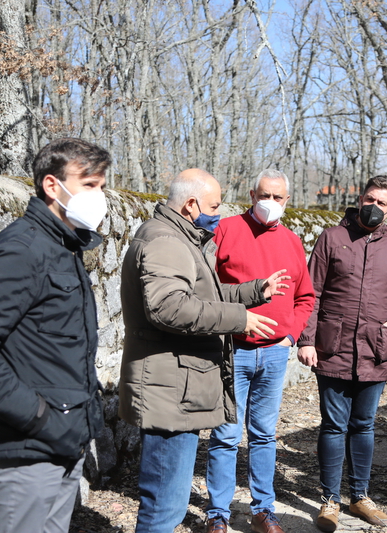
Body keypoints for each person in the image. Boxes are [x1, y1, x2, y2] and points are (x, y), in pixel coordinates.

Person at [0, 138, 112, 533]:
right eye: (89, 185)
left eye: (102, 186)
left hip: (65, 444)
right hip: (29, 454)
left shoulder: (65, 247)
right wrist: (40, 418)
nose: (100, 196)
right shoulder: (23, 248)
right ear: (52, 186)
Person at [117, 169, 289, 533]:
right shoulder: (166, 242)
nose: (218, 212)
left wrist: (254, 291)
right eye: (213, 205)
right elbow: (170, 307)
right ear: (191, 204)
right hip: (170, 391)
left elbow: (202, 295)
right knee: (164, 504)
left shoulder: (179, 238)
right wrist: (239, 319)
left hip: (177, 388)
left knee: (170, 500)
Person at [297, 176, 387, 532]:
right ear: (359, 198)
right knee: (334, 426)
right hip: (332, 349)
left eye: (382, 203)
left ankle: (360, 496)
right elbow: (312, 292)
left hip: (374, 350)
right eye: (370, 199)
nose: (374, 207)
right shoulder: (332, 238)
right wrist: (307, 340)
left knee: (363, 425)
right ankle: (329, 500)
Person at [204, 169, 315, 533]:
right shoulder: (226, 230)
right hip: (232, 350)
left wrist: (291, 334)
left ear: (287, 201)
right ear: (252, 194)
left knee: (265, 433)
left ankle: (262, 509)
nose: (270, 203)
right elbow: (207, 286)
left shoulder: (292, 241)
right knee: (226, 434)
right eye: (264, 195)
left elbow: (306, 296)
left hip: (273, 354)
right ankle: (218, 514)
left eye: (278, 198)